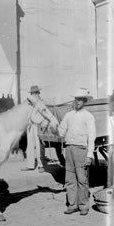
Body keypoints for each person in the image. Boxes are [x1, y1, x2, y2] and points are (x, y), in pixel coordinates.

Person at [51, 88, 96, 216]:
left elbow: (92, 137)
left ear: (85, 101)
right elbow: (61, 132)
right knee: (70, 179)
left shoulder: (88, 116)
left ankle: (83, 206)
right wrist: (53, 128)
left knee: (82, 179)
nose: (77, 102)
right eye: (76, 99)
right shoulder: (68, 115)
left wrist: (89, 154)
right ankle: (72, 205)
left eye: (80, 100)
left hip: (81, 149)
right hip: (69, 148)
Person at [22, 85, 45, 172]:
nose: (34, 94)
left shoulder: (40, 102)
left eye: (36, 93)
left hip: (38, 125)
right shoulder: (28, 102)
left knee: (39, 145)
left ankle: (41, 165)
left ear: (38, 93)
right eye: (33, 93)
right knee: (30, 145)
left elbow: (43, 114)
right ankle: (30, 165)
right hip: (30, 125)